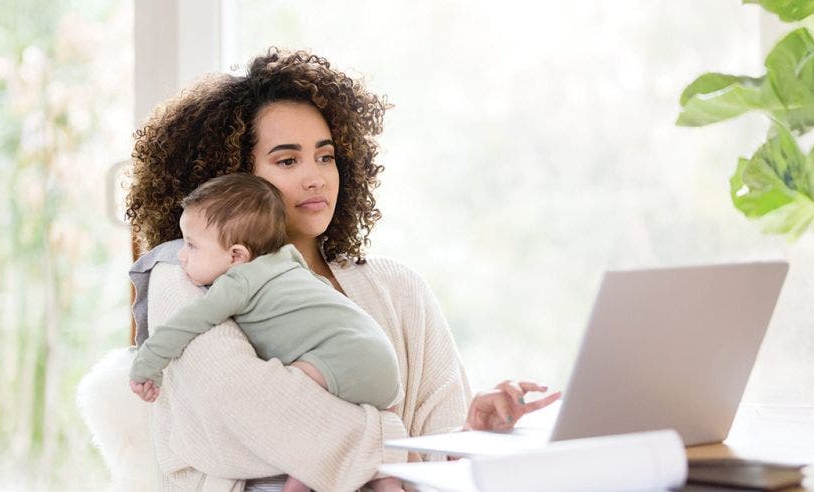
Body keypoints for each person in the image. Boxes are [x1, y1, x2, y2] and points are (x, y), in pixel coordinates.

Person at [121, 48, 560, 491]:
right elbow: (245, 417)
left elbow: (433, 465)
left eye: (326, 156)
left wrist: (473, 436)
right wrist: (392, 438)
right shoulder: (186, 275)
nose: (317, 177)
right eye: (288, 160)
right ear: (235, 178)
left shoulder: (399, 286)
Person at [130, 173, 404, 492]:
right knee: (334, 433)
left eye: (191, 245)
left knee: (296, 420)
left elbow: (186, 323)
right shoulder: (289, 260)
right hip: (383, 365)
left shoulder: (237, 282)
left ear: (236, 256)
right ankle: (390, 483)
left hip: (342, 359)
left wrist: (147, 364)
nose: (181, 255)